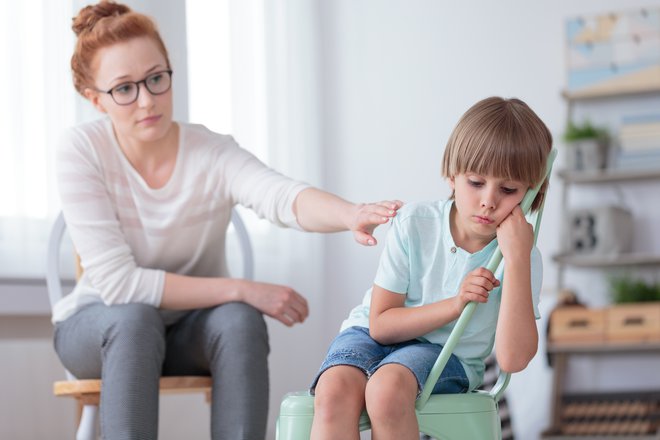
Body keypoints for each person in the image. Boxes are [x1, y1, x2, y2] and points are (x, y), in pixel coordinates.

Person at [52, 1, 402, 439]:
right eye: (125, 88)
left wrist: (350, 213)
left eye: (157, 79)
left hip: (186, 332)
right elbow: (121, 286)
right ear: (95, 100)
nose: (147, 100)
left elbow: (281, 195)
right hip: (99, 329)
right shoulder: (81, 150)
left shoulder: (210, 152)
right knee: (136, 318)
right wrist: (243, 288)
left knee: (239, 320)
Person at [309, 96, 553, 440]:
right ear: (452, 175)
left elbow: (512, 360)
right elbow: (380, 326)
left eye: (509, 189)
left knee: (386, 391)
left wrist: (515, 259)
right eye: (476, 182)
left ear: (531, 195)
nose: (489, 200)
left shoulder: (522, 256)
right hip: (372, 333)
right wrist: (455, 304)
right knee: (333, 390)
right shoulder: (415, 223)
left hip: (445, 354)